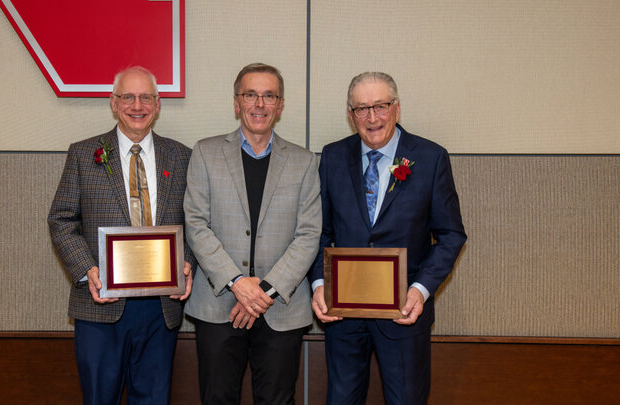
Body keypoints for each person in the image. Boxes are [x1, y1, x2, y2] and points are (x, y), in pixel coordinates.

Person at [309, 72, 467, 405]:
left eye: (380, 106)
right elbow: (319, 231)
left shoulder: (430, 157)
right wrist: (319, 284)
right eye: (361, 108)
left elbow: (451, 234)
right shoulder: (332, 157)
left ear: (396, 108)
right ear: (350, 115)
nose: (372, 117)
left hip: (404, 313)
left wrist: (420, 289)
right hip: (344, 313)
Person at [47, 66, 194, 405]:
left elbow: (197, 222)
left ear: (157, 105)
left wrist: (187, 263)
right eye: (128, 96)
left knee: (154, 399)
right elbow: (61, 219)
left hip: (161, 310)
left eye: (146, 97)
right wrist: (88, 271)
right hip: (101, 307)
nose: (137, 105)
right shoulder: (84, 154)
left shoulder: (182, 156)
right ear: (114, 103)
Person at [183, 63, 321, 404]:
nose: (259, 104)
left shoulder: (304, 161)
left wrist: (264, 291)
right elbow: (196, 224)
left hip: (281, 309)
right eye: (250, 95)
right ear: (236, 102)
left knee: (277, 399)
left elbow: (308, 234)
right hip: (218, 306)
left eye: (269, 95)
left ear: (280, 104)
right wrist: (237, 282)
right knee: (217, 398)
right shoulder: (205, 152)